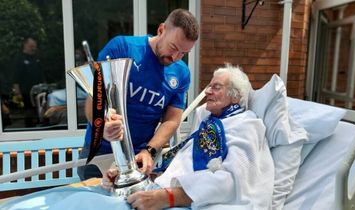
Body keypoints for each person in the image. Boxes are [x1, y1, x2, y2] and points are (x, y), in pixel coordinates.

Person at [101, 64, 275, 209]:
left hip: (185, 200)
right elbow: (183, 166)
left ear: (236, 96)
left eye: (216, 87)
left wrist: (165, 198)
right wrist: (130, 176)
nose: (207, 91)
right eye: (209, 86)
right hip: (163, 189)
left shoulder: (247, 125)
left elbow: (233, 181)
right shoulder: (208, 123)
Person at [78, 8, 200, 180]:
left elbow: (172, 120)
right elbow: (94, 97)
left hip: (138, 157)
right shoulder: (122, 47)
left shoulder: (182, 73)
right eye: (173, 48)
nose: (175, 57)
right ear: (161, 30)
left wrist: (150, 150)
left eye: (184, 53)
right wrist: (101, 126)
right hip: (99, 153)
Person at [11, 37, 45, 127]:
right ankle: (29, 128)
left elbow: (41, 73)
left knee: (41, 109)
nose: (33, 48)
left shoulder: (36, 58)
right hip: (26, 91)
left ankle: (41, 125)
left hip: (39, 90)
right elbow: (15, 77)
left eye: (35, 46)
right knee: (29, 111)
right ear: (25, 45)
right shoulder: (19, 58)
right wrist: (17, 92)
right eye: (31, 46)